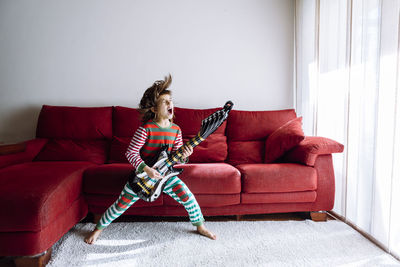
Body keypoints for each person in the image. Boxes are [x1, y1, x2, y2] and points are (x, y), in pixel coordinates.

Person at [84, 74, 216, 244]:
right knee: (120, 205)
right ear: (154, 109)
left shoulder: (176, 130)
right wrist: (147, 169)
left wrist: (185, 154)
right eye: (164, 102)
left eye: (171, 100)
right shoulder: (146, 129)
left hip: (166, 176)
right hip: (143, 177)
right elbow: (131, 153)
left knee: (188, 197)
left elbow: (176, 158)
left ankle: (200, 226)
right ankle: (98, 229)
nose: (170, 104)